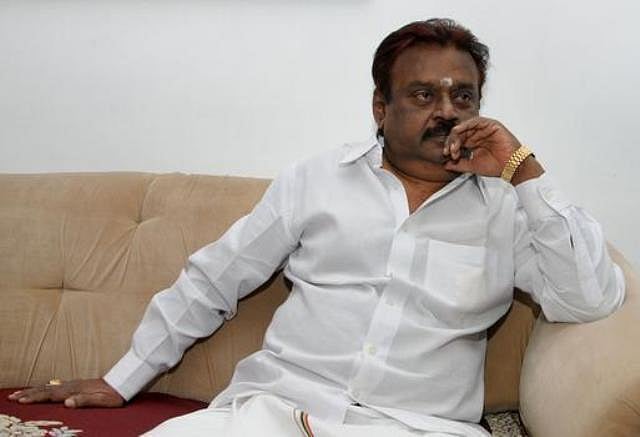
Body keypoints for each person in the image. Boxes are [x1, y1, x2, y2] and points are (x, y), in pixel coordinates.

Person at [8, 18, 625, 436]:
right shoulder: (316, 181)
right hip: (275, 414)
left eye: (462, 97)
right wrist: (123, 379)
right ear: (381, 107)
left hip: (414, 427)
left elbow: (588, 299)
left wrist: (524, 171)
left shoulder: (508, 207)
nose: (446, 112)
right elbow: (215, 279)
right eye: (422, 96)